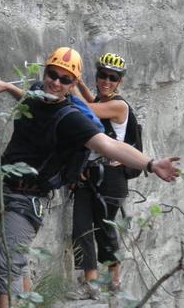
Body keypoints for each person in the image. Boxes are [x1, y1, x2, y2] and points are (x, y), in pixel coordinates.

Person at [0, 47, 179, 308]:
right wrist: (8, 87)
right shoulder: (36, 92)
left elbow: (110, 146)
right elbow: (30, 101)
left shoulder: (72, 119)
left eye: (65, 79)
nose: (56, 82)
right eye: (52, 74)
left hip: (25, 200)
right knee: (15, 268)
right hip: (0, 188)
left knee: (9, 272)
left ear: (73, 85)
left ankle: (108, 282)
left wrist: (151, 163)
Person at [68, 52, 134, 300]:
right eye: (102, 75)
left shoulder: (119, 106)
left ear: (120, 82)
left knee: (104, 231)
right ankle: (91, 284)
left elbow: (88, 108)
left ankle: (115, 280)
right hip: (90, 175)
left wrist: (70, 84)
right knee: (81, 229)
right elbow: (93, 101)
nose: (106, 80)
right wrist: (81, 84)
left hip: (112, 178)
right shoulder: (104, 99)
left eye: (112, 77)